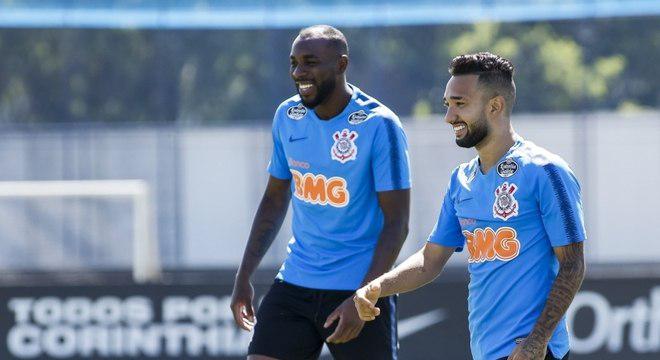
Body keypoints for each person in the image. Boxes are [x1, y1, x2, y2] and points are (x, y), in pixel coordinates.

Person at [354, 52, 586, 360]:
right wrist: (377, 286)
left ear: (495, 106)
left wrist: (536, 341)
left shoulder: (545, 171)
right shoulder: (460, 180)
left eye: (460, 104)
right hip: (485, 352)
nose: (449, 116)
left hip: (531, 352)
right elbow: (430, 260)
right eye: (447, 104)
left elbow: (573, 264)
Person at [230, 25, 411, 360]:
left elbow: (397, 223)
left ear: (341, 65)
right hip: (297, 282)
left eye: (310, 62)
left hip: (358, 287)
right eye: (294, 63)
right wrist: (244, 277)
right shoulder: (287, 116)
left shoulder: (379, 125)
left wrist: (364, 296)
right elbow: (273, 200)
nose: (299, 72)